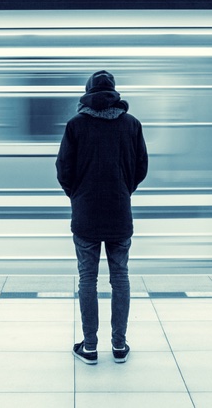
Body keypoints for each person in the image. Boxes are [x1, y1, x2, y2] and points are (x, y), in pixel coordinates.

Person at [56, 70, 148, 365]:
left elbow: (63, 169)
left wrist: (78, 195)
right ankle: (119, 346)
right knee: (120, 277)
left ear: (87, 93)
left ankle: (91, 347)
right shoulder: (131, 124)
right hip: (120, 211)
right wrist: (123, 189)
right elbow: (141, 167)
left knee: (88, 278)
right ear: (114, 94)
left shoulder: (76, 125)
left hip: (85, 215)